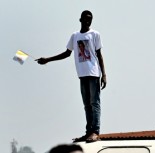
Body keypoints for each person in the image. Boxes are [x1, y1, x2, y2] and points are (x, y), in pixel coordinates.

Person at [36, 10, 107, 142]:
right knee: (87, 105)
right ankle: (88, 131)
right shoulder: (75, 36)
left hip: (93, 73)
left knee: (94, 103)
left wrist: (104, 75)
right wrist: (48, 59)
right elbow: (67, 53)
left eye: (90, 19)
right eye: (85, 18)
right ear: (80, 20)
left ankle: (95, 131)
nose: (88, 21)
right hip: (82, 75)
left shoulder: (95, 34)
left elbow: (99, 55)